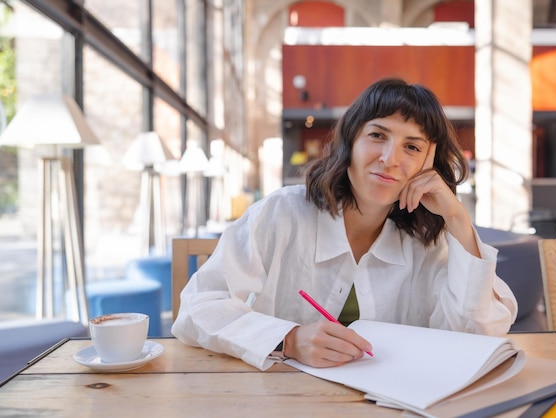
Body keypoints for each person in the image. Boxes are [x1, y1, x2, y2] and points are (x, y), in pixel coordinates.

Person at [171, 78, 518, 370]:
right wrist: (288, 339)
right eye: (378, 136)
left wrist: (457, 218)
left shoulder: (431, 239)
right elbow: (197, 309)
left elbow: (476, 337)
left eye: (412, 147)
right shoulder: (281, 214)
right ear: (350, 140)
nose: (389, 159)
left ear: (428, 162)